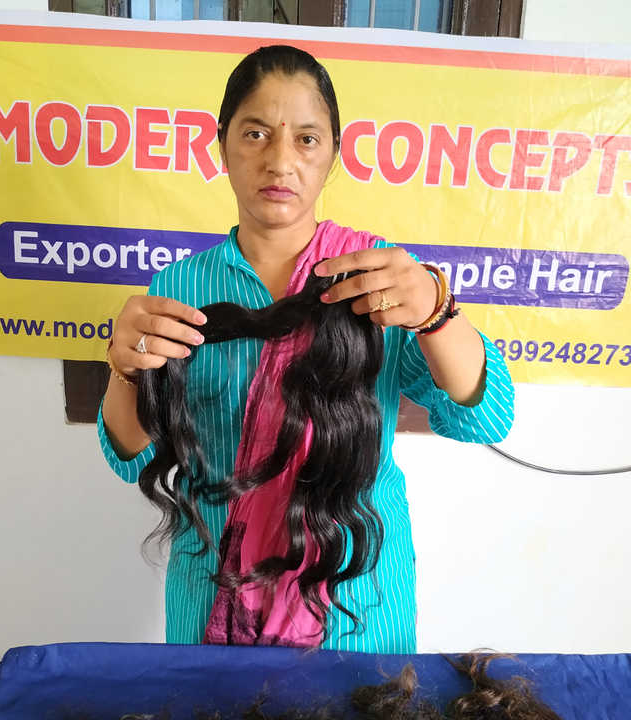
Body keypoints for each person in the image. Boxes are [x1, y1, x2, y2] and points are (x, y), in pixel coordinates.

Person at [98, 45, 514, 653]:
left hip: (354, 604)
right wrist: (124, 368)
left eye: (306, 139)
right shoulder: (179, 289)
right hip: (215, 598)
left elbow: (487, 417)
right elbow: (131, 456)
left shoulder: (377, 278)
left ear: (333, 155)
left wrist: (436, 310)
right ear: (221, 145)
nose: (280, 161)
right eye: (256, 134)